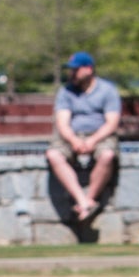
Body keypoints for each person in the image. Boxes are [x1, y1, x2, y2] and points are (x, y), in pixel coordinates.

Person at [45, 51, 121, 223]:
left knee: (107, 155)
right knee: (53, 155)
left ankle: (89, 199)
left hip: (100, 135)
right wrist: (74, 140)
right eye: (70, 70)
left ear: (89, 69)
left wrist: (93, 140)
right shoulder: (65, 92)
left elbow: (112, 123)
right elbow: (62, 123)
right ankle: (82, 200)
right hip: (72, 136)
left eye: (75, 70)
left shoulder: (107, 90)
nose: (71, 73)